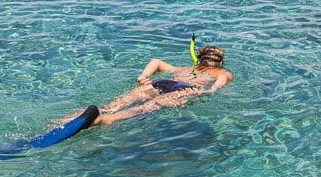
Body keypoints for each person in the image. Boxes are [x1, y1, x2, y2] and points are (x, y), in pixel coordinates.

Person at [78, 46, 232, 126]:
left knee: (113, 104)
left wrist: (143, 76)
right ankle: (107, 120)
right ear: (221, 63)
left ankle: (77, 117)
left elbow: (156, 61)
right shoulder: (221, 72)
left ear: (198, 59)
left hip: (161, 83)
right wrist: (210, 90)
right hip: (185, 89)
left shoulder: (184, 69)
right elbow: (223, 79)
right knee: (143, 109)